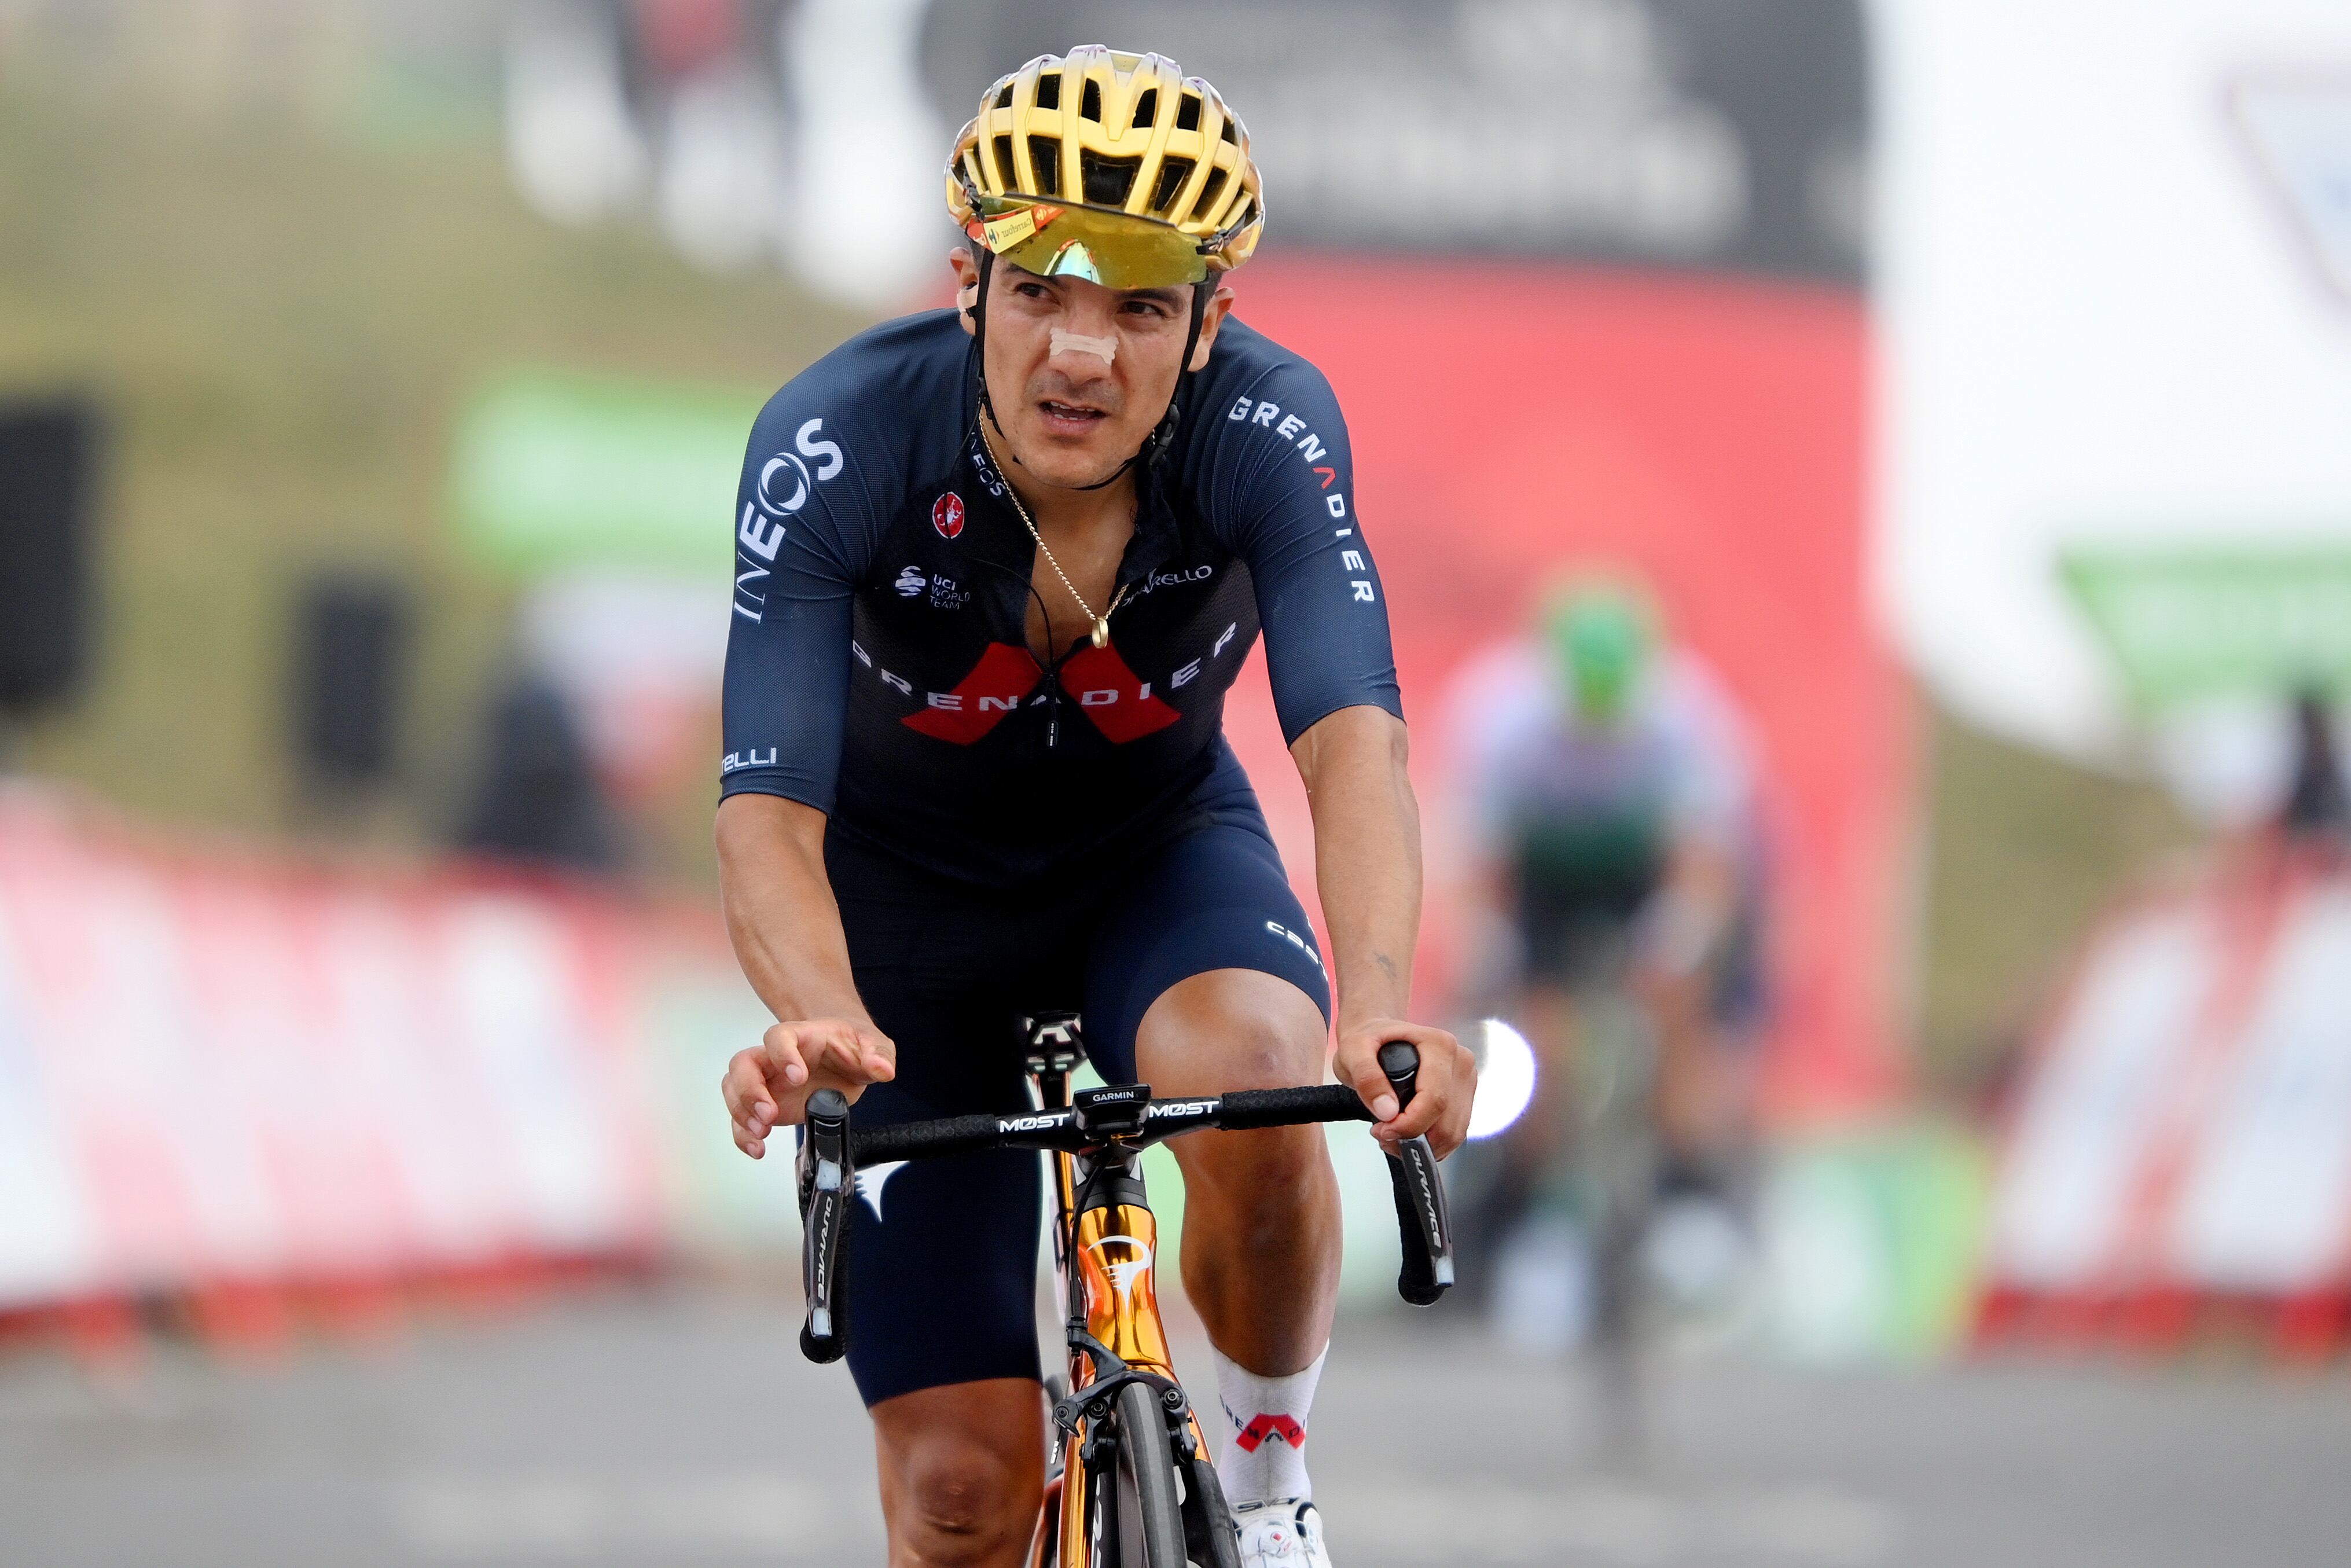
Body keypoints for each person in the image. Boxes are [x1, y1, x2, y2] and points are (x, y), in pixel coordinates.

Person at [712, 47, 1474, 1568]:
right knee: (957, 1492)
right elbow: (765, 820)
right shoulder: (836, 441)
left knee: (1262, 1087)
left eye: (1138, 304)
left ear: (1206, 329)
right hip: (906, 921)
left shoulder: (1268, 429)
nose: (1082, 350)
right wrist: (816, 1016)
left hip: (1151, 857)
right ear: (967, 288)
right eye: (1044, 289)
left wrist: (1377, 1004)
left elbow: (1349, 740)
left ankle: (1265, 1484)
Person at [1448, 575, 1765, 1285]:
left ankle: (1691, 1191)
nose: (1593, 730)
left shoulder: (1689, 716)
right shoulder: (1500, 716)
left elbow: (1704, 867)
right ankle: (1523, 1200)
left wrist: (1675, 946)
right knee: (1532, 1035)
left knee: (1681, 1006)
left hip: (1645, 868)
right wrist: (1496, 949)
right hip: (1548, 872)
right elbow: (1484, 867)